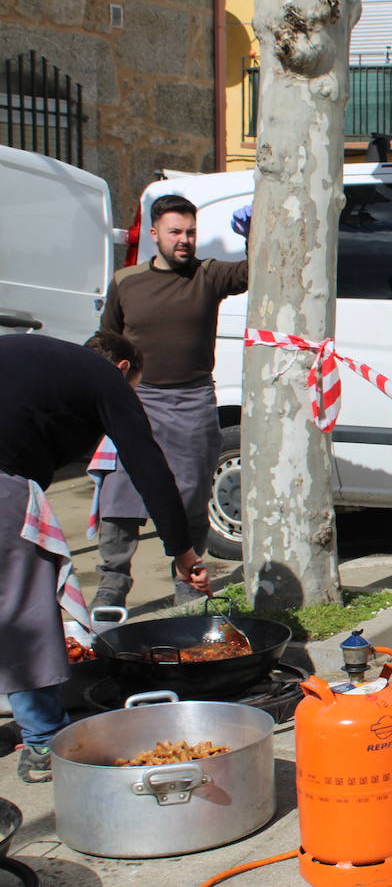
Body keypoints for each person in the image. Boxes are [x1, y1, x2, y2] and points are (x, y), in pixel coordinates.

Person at [0, 331, 209, 783]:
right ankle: (42, 741)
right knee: (21, 610)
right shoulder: (105, 378)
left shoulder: (36, 356)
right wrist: (182, 549)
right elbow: (146, 463)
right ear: (123, 370)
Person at [93, 194, 248, 608]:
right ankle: (112, 582)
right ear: (155, 233)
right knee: (120, 493)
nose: (184, 240)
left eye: (191, 232)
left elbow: (253, 273)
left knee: (192, 496)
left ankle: (187, 580)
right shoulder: (127, 282)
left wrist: (257, 236)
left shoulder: (208, 275)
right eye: (175, 231)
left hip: (193, 398)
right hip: (137, 400)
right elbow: (106, 342)